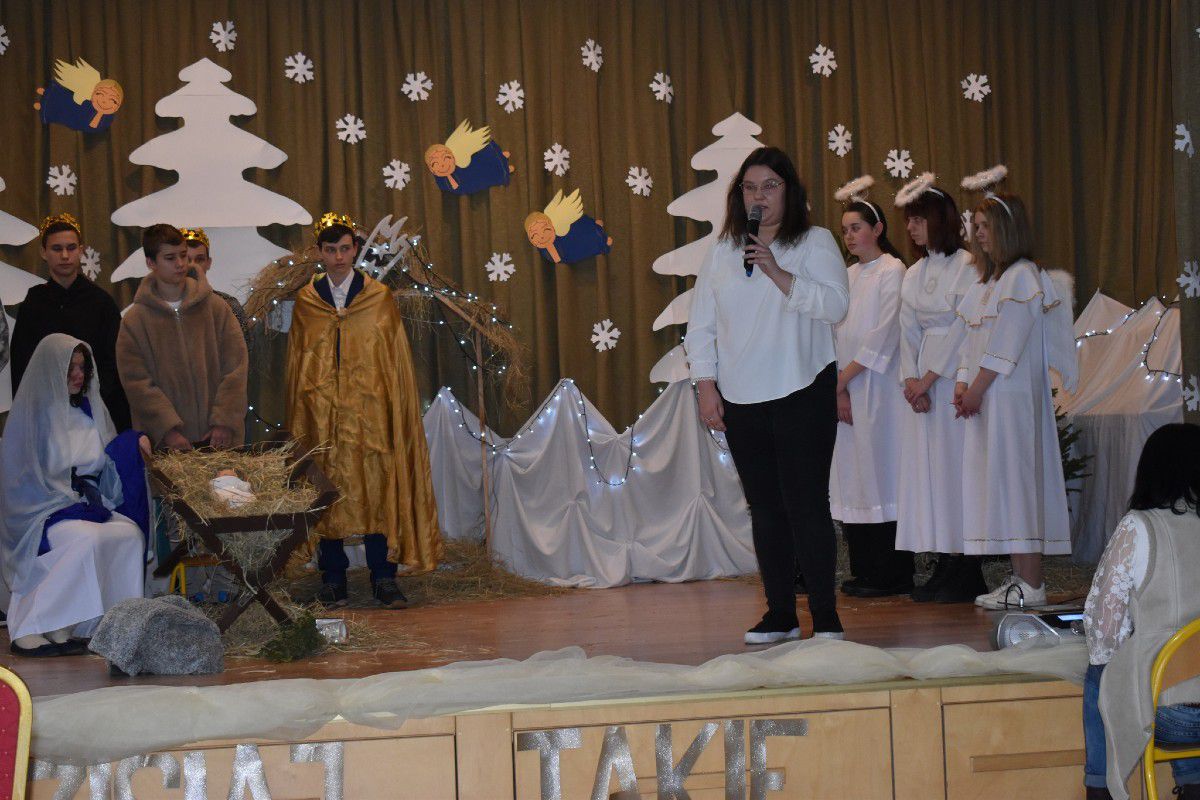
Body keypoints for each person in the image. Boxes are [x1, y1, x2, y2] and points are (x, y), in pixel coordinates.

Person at [683, 147, 849, 644]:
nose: (759, 197)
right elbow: (702, 324)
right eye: (750, 188)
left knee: (807, 506)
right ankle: (780, 613)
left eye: (770, 186)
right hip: (742, 397)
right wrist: (706, 385)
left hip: (803, 388)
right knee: (766, 509)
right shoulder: (724, 251)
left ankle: (825, 617)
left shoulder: (815, 242)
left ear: (788, 191)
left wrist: (777, 271)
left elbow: (835, 306)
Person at [285, 212, 440, 609]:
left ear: (355, 249)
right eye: (330, 250)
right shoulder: (307, 302)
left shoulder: (379, 298)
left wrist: (389, 407)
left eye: (345, 249)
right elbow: (300, 365)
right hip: (322, 416)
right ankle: (333, 578)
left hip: (370, 414)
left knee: (377, 486)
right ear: (319, 253)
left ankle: (383, 577)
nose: (338, 257)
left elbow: (393, 362)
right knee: (325, 487)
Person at [951, 192, 1076, 608]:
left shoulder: (1022, 276)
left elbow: (1008, 344)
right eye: (976, 228)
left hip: (1011, 399)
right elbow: (972, 341)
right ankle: (1021, 579)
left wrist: (975, 389)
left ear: (1007, 229)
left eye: (986, 227)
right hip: (989, 397)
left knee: (1019, 483)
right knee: (1003, 483)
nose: (978, 235)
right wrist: (963, 381)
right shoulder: (991, 282)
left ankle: (1032, 582)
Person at [0, 335, 149, 656]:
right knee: (86, 539)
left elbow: (109, 462)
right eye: (71, 368)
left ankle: (107, 628)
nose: (79, 375)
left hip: (87, 505)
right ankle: (33, 625)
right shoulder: (33, 417)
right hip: (42, 511)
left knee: (130, 535)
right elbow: (18, 480)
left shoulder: (90, 412)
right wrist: (60, 498)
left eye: (83, 368)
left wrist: (135, 441)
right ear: (52, 370)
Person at [1081, 423, 1200, 800]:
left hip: (1174, 717)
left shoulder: (1140, 525)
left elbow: (1103, 628)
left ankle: (1099, 787)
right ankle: (1194, 783)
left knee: (1101, 671)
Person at [894, 177, 986, 603]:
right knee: (929, 473)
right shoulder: (914, 272)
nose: (911, 228)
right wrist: (911, 381)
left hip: (954, 377)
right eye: (909, 220)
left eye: (918, 219)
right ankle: (943, 559)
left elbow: (963, 329)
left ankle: (966, 566)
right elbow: (906, 330)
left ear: (939, 220)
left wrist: (929, 380)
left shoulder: (967, 265)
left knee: (954, 471)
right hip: (923, 384)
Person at [830, 191, 914, 598]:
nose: (849, 236)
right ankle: (865, 569)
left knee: (882, 471)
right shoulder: (846, 276)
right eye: (845, 230)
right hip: (848, 390)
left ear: (878, 229)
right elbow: (833, 332)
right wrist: (839, 390)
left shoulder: (893, 271)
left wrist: (844, 378)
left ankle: (893, 573)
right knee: (855, 477)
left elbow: (885, 333)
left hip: (879, 390)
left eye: (856, 228)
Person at [117, 224, 248, 450]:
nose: (180, 264)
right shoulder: (135, 321)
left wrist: (224, 421)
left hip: (218, 441)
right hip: (168, 446)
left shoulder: (216, 308)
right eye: (170, 258)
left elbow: (236, 366)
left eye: (183, 255)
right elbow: (137, 384)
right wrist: (167, 430)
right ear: (151, 263)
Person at [10, 213, 131, 431]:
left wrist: (90, 399)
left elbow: (114, 362)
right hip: (47, 416)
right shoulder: (34, 303)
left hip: (95, 414)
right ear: (43, 252)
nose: (65, 255)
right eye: (57, 249)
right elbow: (23, 365)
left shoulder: (101, 303)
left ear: (81, 250)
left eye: (71, 248)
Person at [180, 227, 252, 346]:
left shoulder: (228, 306)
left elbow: (244, 351)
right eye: (187, 259)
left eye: (199, 259)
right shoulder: (159, 306)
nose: (193, 265)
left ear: (208, 263)